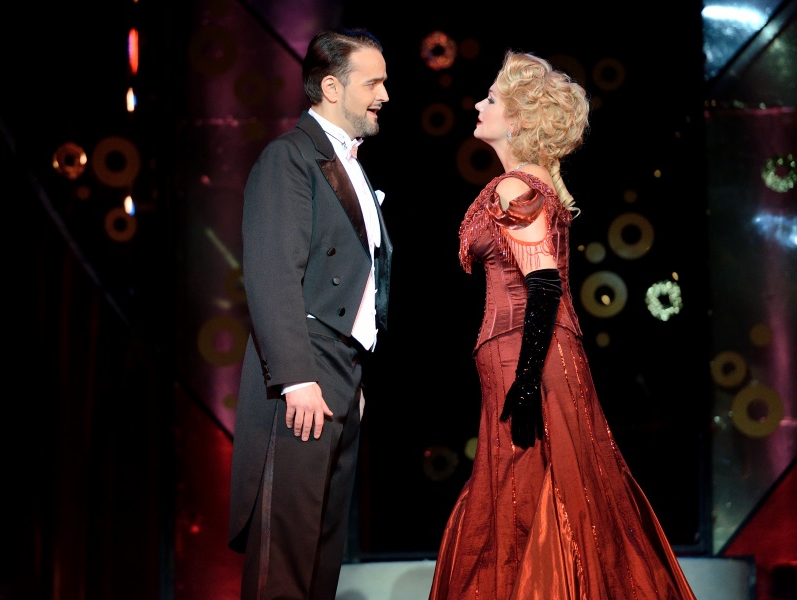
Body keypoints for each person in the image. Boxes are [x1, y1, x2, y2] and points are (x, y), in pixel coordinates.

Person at [428, 51, 697, 600]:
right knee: (546, 493)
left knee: (528, 495)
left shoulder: (515, 188)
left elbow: (545, 285)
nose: (478, 105)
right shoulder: (531, 184)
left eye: (491, 99)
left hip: (526, 356)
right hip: (527, 356)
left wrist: (526, 383)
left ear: (517, 120)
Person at [227, 28, 392, 600]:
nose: (384, 95)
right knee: (286, 556)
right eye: (373, 83)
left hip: (341, 369)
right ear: (331, 87)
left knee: (322, 553)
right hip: (304, 367)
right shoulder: (290, 158)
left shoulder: (351, 164)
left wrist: (353, 372)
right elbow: (273, 273)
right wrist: (298, 378)